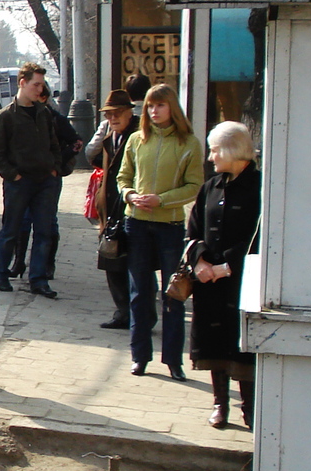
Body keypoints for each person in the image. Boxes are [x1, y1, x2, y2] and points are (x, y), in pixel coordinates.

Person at [116, 83, 204, 380]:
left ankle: (174, 360)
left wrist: (162, 200)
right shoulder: (137, 140)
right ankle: (139, 356)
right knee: (140, 292)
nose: (154, 111)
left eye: (160, 105)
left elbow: (193, 186)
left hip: (169, 225)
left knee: (173, 292)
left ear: (172, 108)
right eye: (150, 106)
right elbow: (122, 177)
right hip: (137, 221)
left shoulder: (188, 143)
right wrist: (130, 195)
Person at [186, 122, 261, 427]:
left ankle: (251, 407)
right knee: (214, 340)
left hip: (241, 281)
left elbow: (260, 236)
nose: (211, 157)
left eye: (215, 150)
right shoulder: (211, 187)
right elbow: (193, 228)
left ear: (232, 149)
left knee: (242, 343)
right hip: (210, 282)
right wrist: (200, 261)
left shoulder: (259, 186)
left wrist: (228, 265)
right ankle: (220, 403)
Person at [0, 63, 62, 298]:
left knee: (44, 231)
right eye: (35, 84)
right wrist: (13, 175)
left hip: (44, 181)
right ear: (23, 83)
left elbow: (54, 145)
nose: (39, 89)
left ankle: (38, 279)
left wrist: (55, 168)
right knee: (12, 229)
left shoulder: (44, 113)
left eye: (41, 85)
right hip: (19, 182)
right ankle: (0, 272)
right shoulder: (6, 116)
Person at [9, 81, 81, 277]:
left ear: (45, 99)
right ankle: (18, 262)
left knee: (48, 222)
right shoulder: (20, 117)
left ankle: (47, 265)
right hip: (26, 177)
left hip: (49, 178)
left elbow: (77, 142)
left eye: (39, 96)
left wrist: (57, 166)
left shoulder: (55, 119)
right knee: (23, 221)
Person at [86, 89, 135, 329]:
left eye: (118, 114)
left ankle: (140, 314)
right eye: (109, 115)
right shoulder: (109, 137)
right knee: (111, 260)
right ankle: (122, 312)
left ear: (129, 113)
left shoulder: (138, 136)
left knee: (135, 265)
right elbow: (91, 156)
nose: (113, 119)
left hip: (131, 208)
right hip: (109, 209)